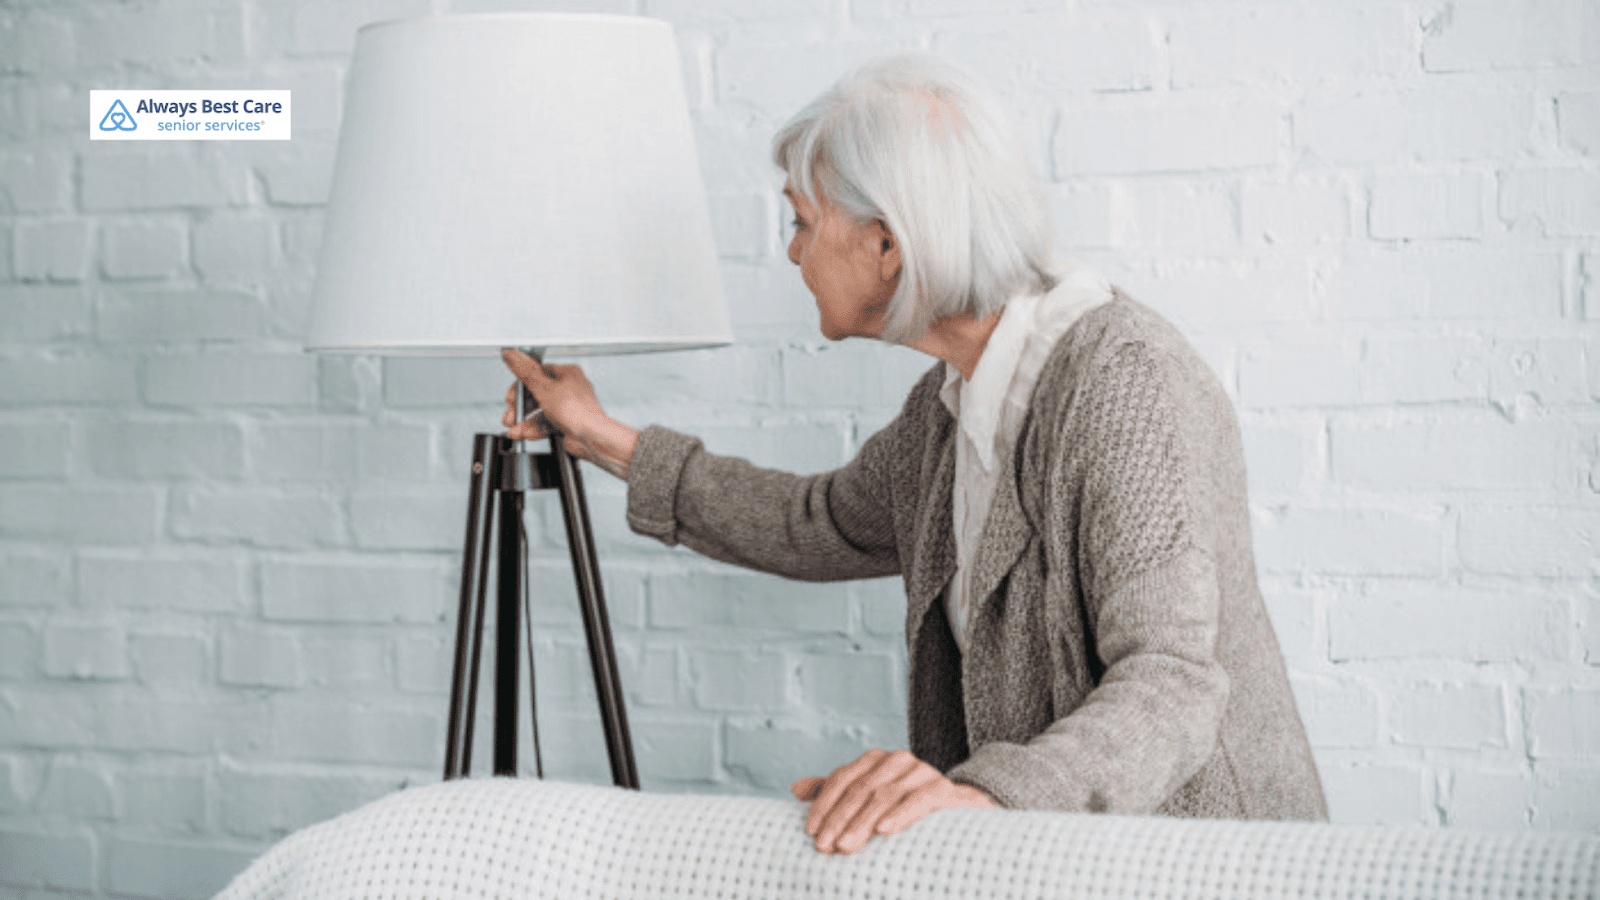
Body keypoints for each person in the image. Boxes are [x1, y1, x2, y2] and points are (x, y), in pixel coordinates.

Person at [499, 53, 1327, 856]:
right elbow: (813, 523)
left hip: (1205, 860)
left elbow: (1173, 681)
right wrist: (601, 434)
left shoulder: (1122, 384)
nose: (790, 253)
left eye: (801, 221)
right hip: (1061, 853)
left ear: (887, 247)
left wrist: (977, 794)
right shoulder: (948, 408)